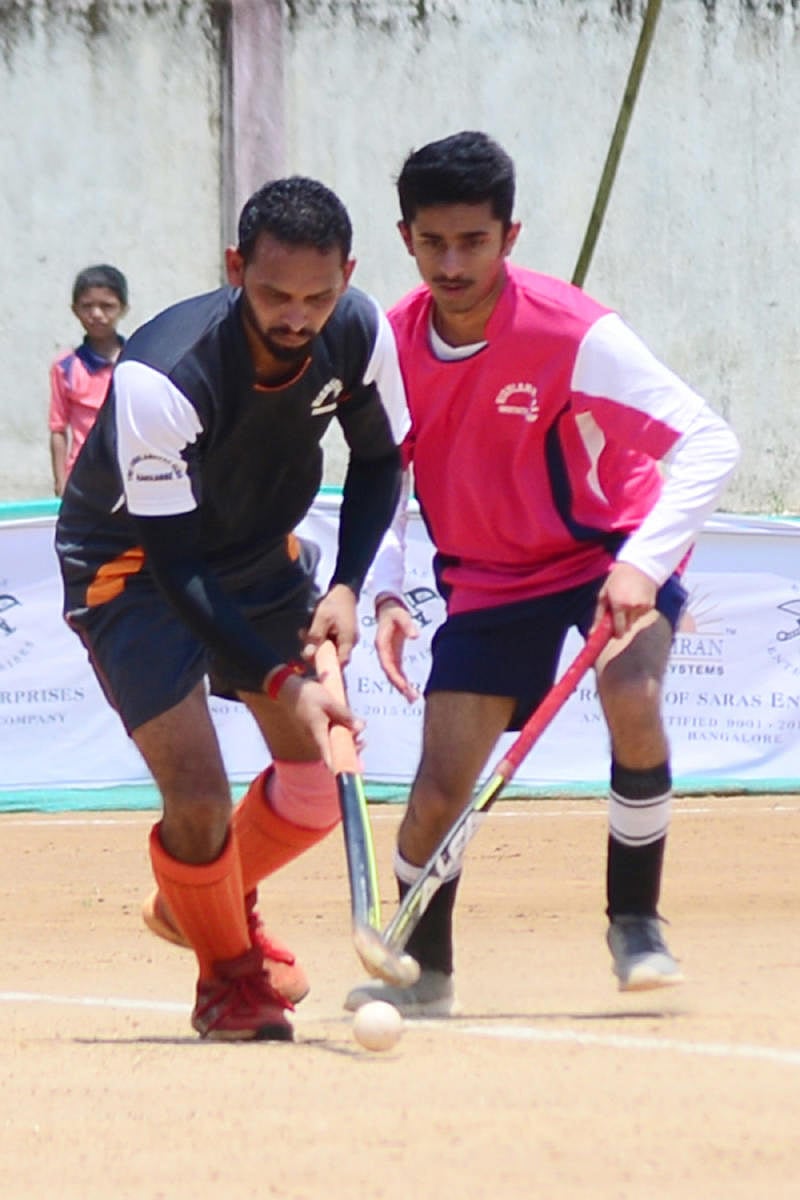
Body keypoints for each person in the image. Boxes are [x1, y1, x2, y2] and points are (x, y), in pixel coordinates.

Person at [345, 131, 740, 1017]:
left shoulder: (576, 333)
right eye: (434, 242)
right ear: (406, 236)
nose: (452, 263)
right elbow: (384, 473)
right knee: (441, 786)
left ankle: (635, 919)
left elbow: (711, 442)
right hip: (487, 576)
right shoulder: (385, 342)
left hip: (607, 550)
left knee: (631, 695)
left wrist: (641, 563)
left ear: (509, 237)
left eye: (473, 243)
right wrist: (385, 589)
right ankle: (423, 969)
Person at [55, 176, 409, 1041]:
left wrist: (348, 585)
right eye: (275, 294)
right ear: (234, 267)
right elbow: (176, 568)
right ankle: (227, 978)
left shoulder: (359, 329)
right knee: (200, 796)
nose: (298, 317)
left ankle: (197, 900)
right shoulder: (160, 376)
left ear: (348, 274)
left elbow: (376, 462)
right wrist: (281, 679)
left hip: (256, 550)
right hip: (133, 564)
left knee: (318, 785)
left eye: (318, 296)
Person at [48, 264, 129, 495]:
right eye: (87, 306)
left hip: (127, 473)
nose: (96, 314)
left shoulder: (136, 361)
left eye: (107, 306)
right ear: (75, 310)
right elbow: (58, 429)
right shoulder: (65, 367)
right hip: (82, 477)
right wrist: (61, 481)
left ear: (123, 309)